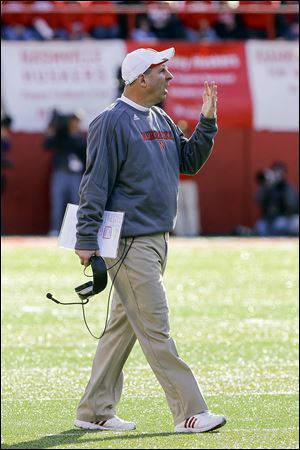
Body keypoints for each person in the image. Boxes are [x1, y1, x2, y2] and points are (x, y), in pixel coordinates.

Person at [74, 47, 226, 433]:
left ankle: (94, 409)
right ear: (141, 78)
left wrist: (206, 122)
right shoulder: (111, 121)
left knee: (122, 329)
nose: (170, 78)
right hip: (130, 243)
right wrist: (86, 237)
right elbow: (95, 183)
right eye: (163, 71)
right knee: (156, 328)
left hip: (157, 239)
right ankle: (189, 412)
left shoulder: (160, 117)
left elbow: (188, 161)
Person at [44, 110, 86, 236]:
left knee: (76, 203)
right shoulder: (61, 136)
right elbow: (47, 145)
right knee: (57, 202)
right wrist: (53, 130)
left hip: (76, 175)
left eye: (76, 121)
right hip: (61, 173)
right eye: (72, 121)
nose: (74, 124)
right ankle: (55, 229)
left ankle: (75, 231)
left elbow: (85, 153)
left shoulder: (81, 138)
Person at [254, 161, 299, 236]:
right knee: (260, 226)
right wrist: (266, 187)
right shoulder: (266, 187)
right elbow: (258, 200)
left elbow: (292, 205)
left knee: (285, 224)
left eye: (280, 172)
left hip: (285, 219)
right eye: (274, 171)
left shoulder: (286, 187)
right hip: (268, 221)